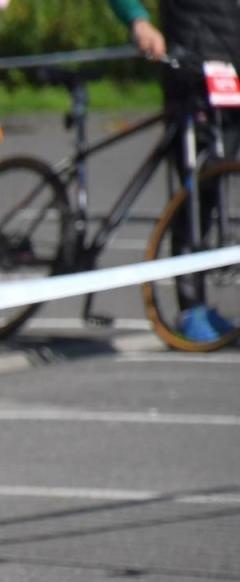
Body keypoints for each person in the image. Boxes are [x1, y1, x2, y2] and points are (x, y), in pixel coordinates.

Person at [110, 0, 240, 342]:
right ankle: (190, 307)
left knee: (214, 189)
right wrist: (137, 21)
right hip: (191, 70)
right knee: (193, 194)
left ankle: (202, 306)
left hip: (231, 74)